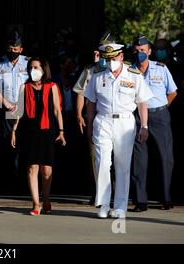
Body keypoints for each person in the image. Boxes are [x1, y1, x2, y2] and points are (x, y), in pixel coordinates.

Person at [84, 42, 153, 219]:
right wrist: (90, 126)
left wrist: (144, 126)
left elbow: (142, 103)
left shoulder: (134, 75)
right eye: (107, 59)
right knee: (102, 163)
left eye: (113, 58)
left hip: (125, 123)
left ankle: (120, 206)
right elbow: (91, 103)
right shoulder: (98, 76)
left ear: (121, 57)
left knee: (122, 165)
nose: (110, 62)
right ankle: (104, 205)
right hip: (103, 121)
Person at [11, 57, 65, 215]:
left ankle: (46, 198)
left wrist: (61, 131)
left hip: (47, 131)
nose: (33, 70)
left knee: (46, 170)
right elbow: (19, 111)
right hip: (29, 131)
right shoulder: (24, 87)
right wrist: (14, 130)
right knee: (31, 168)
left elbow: (57, 110)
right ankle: (36, 204)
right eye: (31, 68)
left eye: (36, 67)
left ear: (43, 70)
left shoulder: (52, 86)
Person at [131, 34, 178, 212]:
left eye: (142, 50)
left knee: (166, 158)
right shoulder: (130, 70)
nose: (139, 53)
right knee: (139, 160)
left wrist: (163, 107)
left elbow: (172, 92)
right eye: (136, 51)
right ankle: (141, 200)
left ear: (149, 51)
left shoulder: (161, 68)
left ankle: (166, 198)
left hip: (159, 115)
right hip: (137, 117)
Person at [72, 32, 113, 203]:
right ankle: (100, 192)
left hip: (116, 118)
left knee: (117, 158)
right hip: (95, 118)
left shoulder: (121, 69)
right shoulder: (90, 70)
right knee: (97, 157)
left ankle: (116, 192)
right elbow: (81, 93)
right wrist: (79, 114)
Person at [0, 30, 28, 192]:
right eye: (10, 49)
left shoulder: (28, 63)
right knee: (7, 144)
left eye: (16, 49)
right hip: (6, 108)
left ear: (21, 49)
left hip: (24, 109)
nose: (12, 52)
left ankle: (23, 179)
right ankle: (8, 179)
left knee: (24, 143)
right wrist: (6, 103)